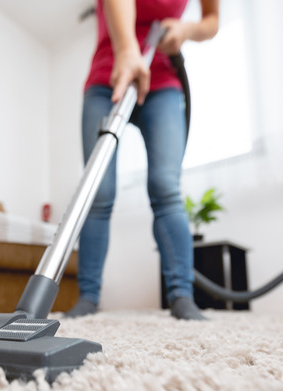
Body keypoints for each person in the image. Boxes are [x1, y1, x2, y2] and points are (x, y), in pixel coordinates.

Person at [66, 0, 219, 320]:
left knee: (165, 188)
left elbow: (211, 19)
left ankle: (182, 297)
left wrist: (186, 29)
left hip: (163, 81)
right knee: (98, 191)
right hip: (107, 77)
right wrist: (126, 50)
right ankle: (88, 298)